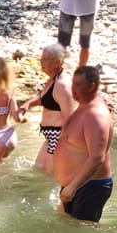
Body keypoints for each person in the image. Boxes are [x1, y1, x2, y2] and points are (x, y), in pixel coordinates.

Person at [55, 65, 114, 222]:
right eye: (72, 84)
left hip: (89, 186)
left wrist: (73, 187)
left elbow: (97, 158)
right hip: (75, 185)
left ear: (92, 86)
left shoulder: (96, 115)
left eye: (78, 85)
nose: (73, 89)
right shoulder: (83, 106)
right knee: (67, 229)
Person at [18, 42, 76, 176]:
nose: (40, 63)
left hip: (58, 137)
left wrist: (62, 145)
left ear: (57, 62)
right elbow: (45, 98)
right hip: (51, 137)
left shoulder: (62, 85)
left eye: (44, 59)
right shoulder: (53, 79)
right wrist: (27, 105)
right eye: (40, 59)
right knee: (38, 171)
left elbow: (69, 117)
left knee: (50, 178)